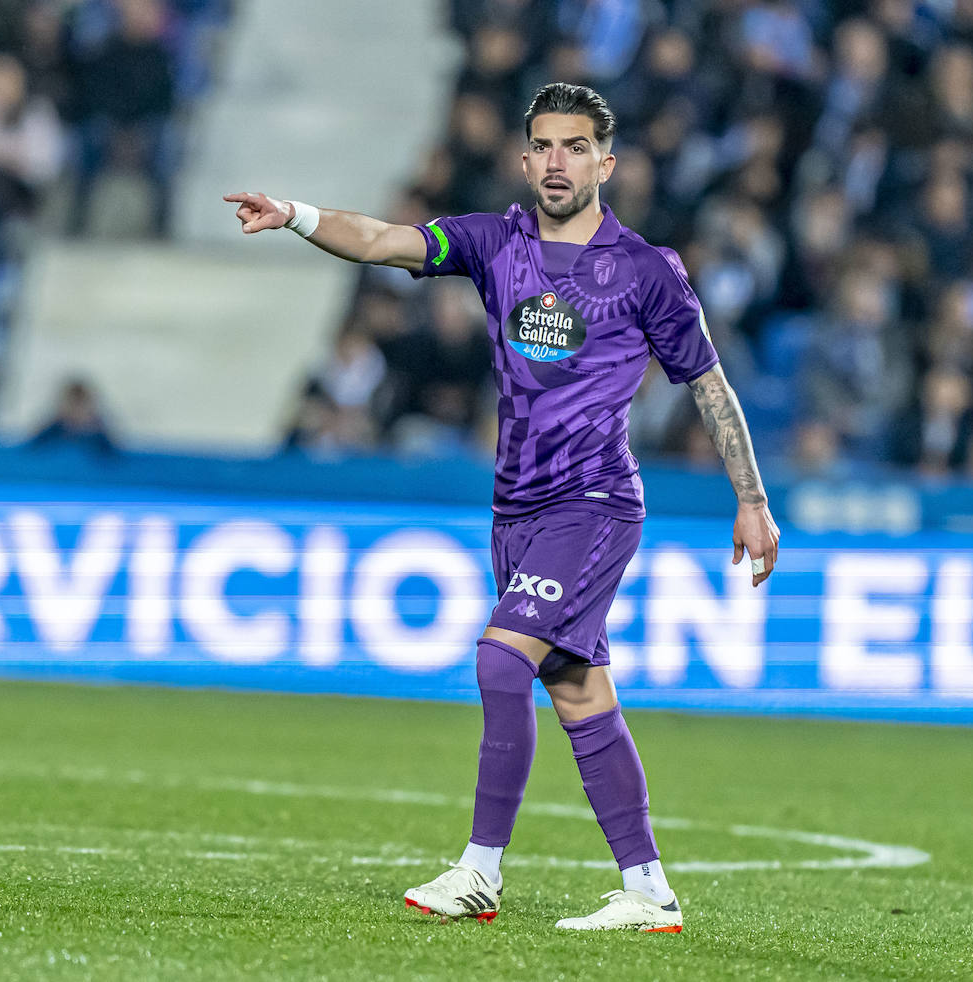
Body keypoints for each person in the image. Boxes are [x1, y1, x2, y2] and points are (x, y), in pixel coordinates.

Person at [225, 83, 780, 933]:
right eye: (544, 147)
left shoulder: (645, 271)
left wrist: (752, 499)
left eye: (576, 146)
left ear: (607, 161)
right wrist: (293, 212)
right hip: (514, 510)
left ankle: (478, 871)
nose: (558, 162)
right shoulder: (494, 243)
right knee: (580, 692)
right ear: (525, 161)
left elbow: (708, 384)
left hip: (592, 503)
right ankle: (649, 891)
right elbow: (378, 239)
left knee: (499, 662)